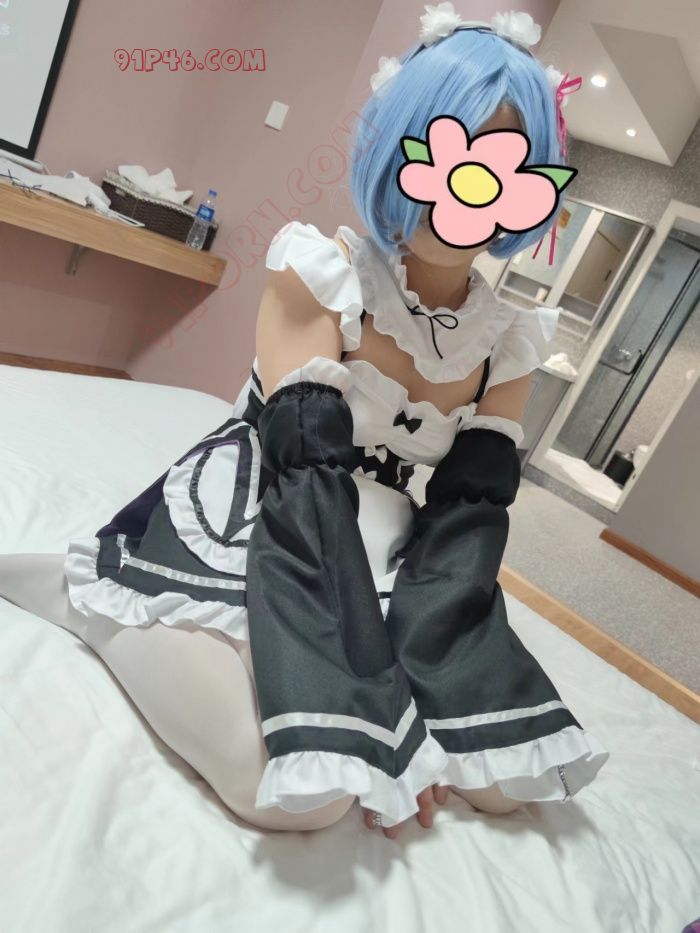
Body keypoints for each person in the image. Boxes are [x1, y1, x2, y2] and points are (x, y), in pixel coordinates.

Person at [0, 5, 609, 840]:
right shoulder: (324, 272)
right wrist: (370, 706)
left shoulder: (510, 339)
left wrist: (439, 663)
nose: (473, 191)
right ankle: (104, 610)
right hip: (275, 512)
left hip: (388, 544)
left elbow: (469, 515)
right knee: (297, 793)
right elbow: (305, 473)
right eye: (451, 156)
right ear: (402, 149)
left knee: (506, 778)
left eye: (504, 169)